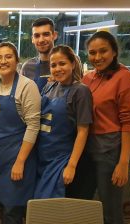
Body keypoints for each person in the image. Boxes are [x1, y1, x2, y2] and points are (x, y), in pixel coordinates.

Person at [67, 31, 130, 224]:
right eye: (92, 52)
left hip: (111, 149)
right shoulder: (89, 78)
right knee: (80, 202)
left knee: (110, 210)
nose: (97, 57)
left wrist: (123, 162)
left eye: (103, 51)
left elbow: (129, 122)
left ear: (114, 52)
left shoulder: (124, 77)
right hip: (86, 147)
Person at [0, 42, 40, 224]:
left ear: (17, 61)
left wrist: (20, 162)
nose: (3, 61)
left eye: (8, 57)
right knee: (2, 204)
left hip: (15, 159)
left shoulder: (27, 86)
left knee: (13, 209)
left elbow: (33, 126)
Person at [34, 45, 92, 199]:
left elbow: (83, 131)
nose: (57, 69)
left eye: (62, 63)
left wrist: (71, 166)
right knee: (37, 206)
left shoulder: (81, 91)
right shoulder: (48, 86)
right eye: (53, 65)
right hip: (42, 157)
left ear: (73, 64)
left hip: (61, 160)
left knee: (51, 209)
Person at [20, 17, 58, 92]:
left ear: (54, 35)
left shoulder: (67, 64)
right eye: (37, 36)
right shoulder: (27, 67)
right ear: (32, 39)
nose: (41, 40)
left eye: (46, 34)